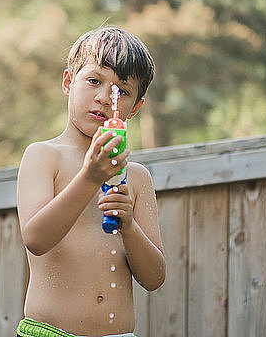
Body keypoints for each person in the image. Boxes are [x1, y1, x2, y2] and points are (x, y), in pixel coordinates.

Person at [16, 26, 165, 337]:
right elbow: (35, 239)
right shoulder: (44, 157)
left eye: (121, 91)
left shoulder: (136, 177)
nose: (103, 98)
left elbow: (154, 278)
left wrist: (129, 227)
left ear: (135, 106)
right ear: (69, 82)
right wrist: (90, 177)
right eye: (94, 81)